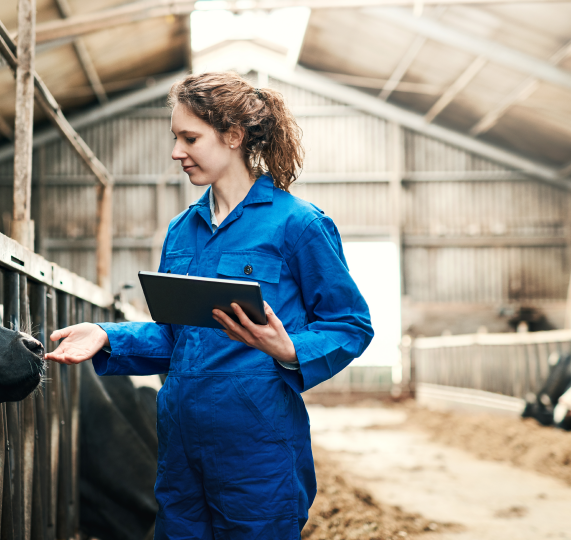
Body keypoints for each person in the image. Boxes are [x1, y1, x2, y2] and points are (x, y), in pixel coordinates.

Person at [45, 72, 373, 539]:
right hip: (180, 444)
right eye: (176, 137)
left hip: (257, 447)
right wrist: (107, 336)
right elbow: (176, 337)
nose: (177, 151)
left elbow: (351, 325)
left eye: (190, 138)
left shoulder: (297, 225)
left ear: (234, 136)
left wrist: (288, 349)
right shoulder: (182, 230)